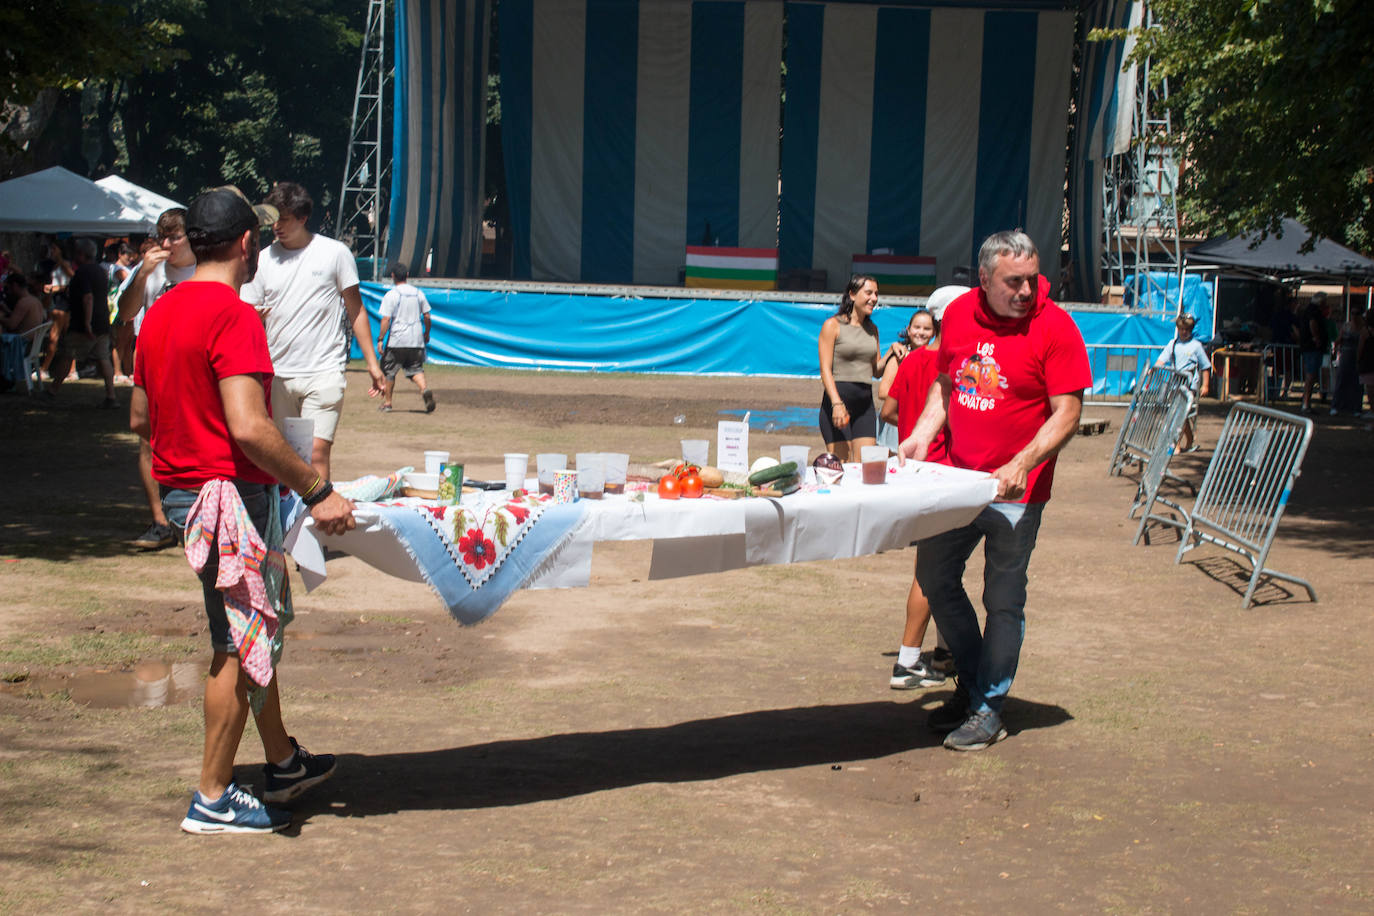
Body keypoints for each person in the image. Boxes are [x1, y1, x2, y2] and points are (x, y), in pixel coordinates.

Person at [130, 186, 357, 834]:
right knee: (236, 641)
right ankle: (211, 795)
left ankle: (282, 760)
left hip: (189, 493)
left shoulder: (162, 314)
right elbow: (250, 428)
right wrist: (317, 489)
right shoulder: (232, 316)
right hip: (227, 494)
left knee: (257, 626)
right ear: (244, 243)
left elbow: (141, 419)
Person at [900, 230, 1091, 751]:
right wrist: (921, 434)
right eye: (1013, 282)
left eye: (1031, 280)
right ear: (984, 279)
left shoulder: (1056, 326)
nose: (1026, 291)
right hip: (959, 483)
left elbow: (1068, 413)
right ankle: (974, 682)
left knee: (1002, 599)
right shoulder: (960, 313)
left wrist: (1022, 462)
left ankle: (987, 708)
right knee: (935, 578)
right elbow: (948, 383)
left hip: (1017, 495)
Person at [240, 182, 385, 479]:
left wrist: (373, 363)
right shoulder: (262, 260)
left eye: (284, 219)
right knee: (283, 459)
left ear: (303, 218)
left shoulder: (334, 253)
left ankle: (318, 522)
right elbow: (245, 313)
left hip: (324, 371)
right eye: (273, 220)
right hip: (277, 373)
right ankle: (286, 525)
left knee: (316, 454)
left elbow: (354, 309)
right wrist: (254, 315)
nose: (277, 226)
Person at [879, 287, 970, 688]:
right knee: (929, 572)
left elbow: (888, 410)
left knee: (944, 570)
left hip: (913, 469)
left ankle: (944, 652)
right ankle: (908, 659)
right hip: (941, 474)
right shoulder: (956, 366)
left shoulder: (914, 360)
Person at [117, 208, 198, 551]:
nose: (167, 244)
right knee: (147, 440)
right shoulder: (149, 272)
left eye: (175, 237)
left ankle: (196, 516)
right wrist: (141, 275)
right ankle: (160, 522)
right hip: (154, 367)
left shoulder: (207, 269)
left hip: (194, 370)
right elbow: (125, 313)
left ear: (192, 237)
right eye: (162, 237)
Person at [818, 274, 898, 461]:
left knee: (866, 467)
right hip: (838, 403)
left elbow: (876, 371)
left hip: (865, 406)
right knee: (841, 468)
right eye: (869, 293)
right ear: (852, 295)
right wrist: (837, 404)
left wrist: (890, 352)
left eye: (876, 294)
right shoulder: (833, 325)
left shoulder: (873, 330)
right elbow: (825, 370)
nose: (874, 298)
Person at [47, 238, 116, 407]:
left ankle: (52, 391)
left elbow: (88, 297)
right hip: (102, 322)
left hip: (85, 325)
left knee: (68, 354)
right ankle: (111, 396)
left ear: (81, 254)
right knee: (103, 358)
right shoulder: (100, 271)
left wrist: (86, 324)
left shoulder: (83, 272)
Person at [375, 262, 435, 413]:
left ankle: (388, 403)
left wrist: (381, 338)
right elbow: (427, 316)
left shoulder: (392, 295)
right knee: (416, 369)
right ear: (407, 275)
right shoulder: (418, 293)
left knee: (389, 370)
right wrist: (426, 332)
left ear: (393, 276)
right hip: (416, 339)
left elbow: (386, 319)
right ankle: (424, 389)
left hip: (397, 339)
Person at [1154, 314, 1212, 452]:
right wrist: (1154, 369)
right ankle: (1190, 438)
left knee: (1181, 414)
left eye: (1187, 329)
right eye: (1181, 329)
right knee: (1179, 414)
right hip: (1175, 385)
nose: (1184, 332)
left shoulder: (1196, 346)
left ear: (1191, 330)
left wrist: (1205, 385)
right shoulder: (1173, 344)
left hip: (1189, 386)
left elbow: (1205, 366)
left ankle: (1176, 444)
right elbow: (1162, 359)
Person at [1330, 306, 1364, 415]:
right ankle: (1336, 406)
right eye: (1352, 313)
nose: (1354, 316)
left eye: (1357, 313)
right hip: (1345, 356)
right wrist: (1335, 351)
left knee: (1357, 384)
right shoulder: (1346, 326)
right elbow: (1338, 340)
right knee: (1341, 381)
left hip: (1358, 358)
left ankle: (1356, 408)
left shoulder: (1364, 328)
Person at [1299, 293, 1330, 413]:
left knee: (1311, 375)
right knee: (1311, 375)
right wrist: (1316, 338)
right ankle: (1305, 402)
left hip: (1309, 347)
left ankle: (1306, 401)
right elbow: (1312, 323)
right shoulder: (1314, 312)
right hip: (1312, 348)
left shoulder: (1308, 310)